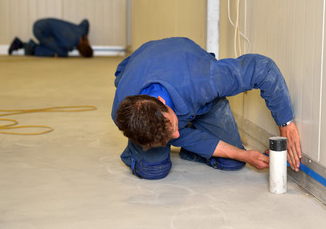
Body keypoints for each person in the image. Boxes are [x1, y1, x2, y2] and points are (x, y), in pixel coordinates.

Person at [111, 37, 301, 180]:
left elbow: (262, 68)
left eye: (173, 127)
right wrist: (244, 154)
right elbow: (174, 131)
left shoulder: (205, 81)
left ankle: (189, 132)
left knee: (231, 163)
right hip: (147, 63)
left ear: (162, 102)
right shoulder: (125, 114)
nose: (176, 135)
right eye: (170, 135)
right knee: (153, 170)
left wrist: (286, 122)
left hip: (188, 73)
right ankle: (136, 152)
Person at [8, 18, 93, 57]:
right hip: (40, 31)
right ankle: (28, 47)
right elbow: (58, 46)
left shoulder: (82, 30)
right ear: (79, 51)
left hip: (40, 24)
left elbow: (86, 21)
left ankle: (23, 45)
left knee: (57, 48)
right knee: (62, 53)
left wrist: (85, 36)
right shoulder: (69, 44)